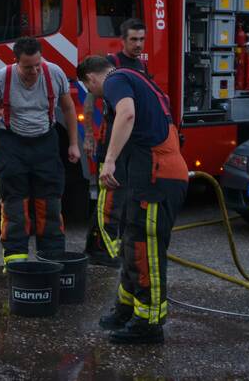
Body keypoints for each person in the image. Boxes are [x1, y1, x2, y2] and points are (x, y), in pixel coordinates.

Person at [76, 54, 188, 345]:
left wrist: (109, 161)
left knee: (144, 249)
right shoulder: (137, 80)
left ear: (91, 79)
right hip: (150, 177)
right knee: (130, 244)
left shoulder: (115, 80)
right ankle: (126, 309)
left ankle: (148, 323)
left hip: (157, 178)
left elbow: (126, 114)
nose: (96, 96)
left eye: (91, 91)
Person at [0, 37, 80, 266]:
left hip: (45, 143)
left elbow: (68, 108)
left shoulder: (53, 74)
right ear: (16, 62)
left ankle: (51, 260)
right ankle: (16, 262)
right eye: (28, 67)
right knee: (14, 205)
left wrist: (73, 143)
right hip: (12, 144)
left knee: (50, 205)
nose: (35, 71)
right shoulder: (3, 78)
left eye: (38, 64)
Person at [82, 18, 150, 267]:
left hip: (132, 143)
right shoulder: (111, 66)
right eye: (133, 39)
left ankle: (97, 246)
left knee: (123, 197)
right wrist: (88, 135)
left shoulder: (140, 66)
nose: (138, 44)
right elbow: (89, 103)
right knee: (110, 198)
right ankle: (100, 250)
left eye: (142, 39)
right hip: (111, 139)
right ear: (123, 40)